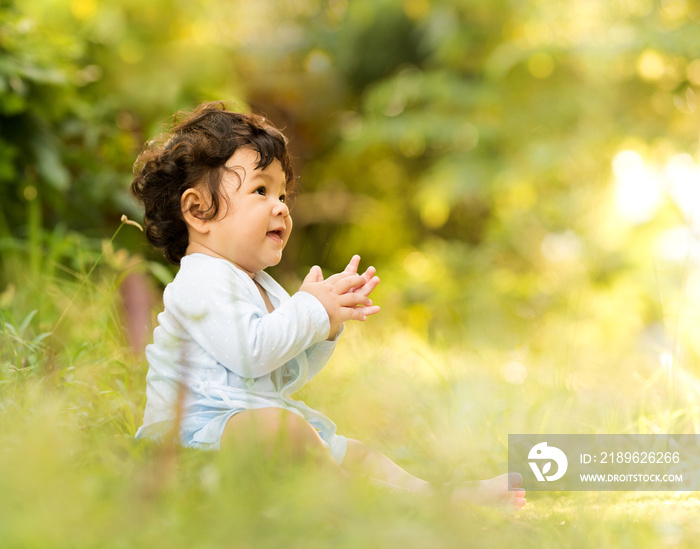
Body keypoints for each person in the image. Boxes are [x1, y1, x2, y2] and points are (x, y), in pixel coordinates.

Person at [130, 101, 525, 508]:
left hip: (245, 430)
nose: (281, 206)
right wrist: (310, 310)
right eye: (261, 190)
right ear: (198, 210)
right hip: (191, 438)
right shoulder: (201, 278)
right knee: (288, 429)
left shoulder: (262, 285)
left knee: (354, 452)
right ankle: (365, 509)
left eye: (282, 194)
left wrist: (326, 328)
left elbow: (282, 373)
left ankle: (439, 500)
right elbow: (252, 354)